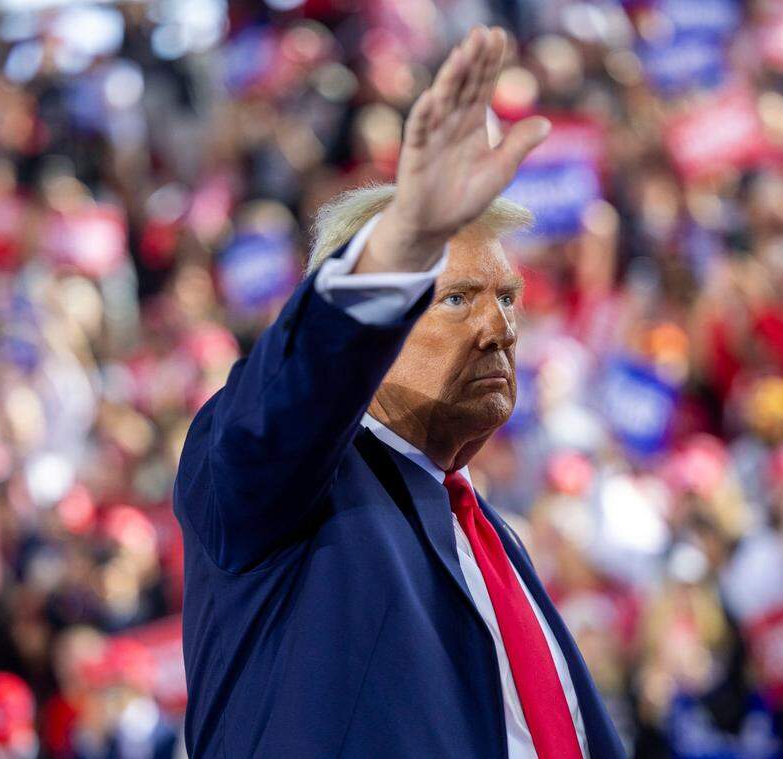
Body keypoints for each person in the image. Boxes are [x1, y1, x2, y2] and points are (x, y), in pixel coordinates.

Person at [173, 25, 623, 758]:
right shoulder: (274, 482)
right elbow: (295, 392)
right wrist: (405, 237)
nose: (499, 328)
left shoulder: (492, 538)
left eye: (508, 298)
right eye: (457, 299)